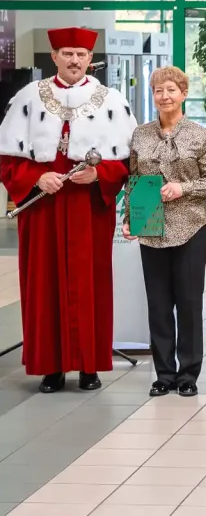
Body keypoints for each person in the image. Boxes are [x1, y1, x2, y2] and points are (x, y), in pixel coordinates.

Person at [0, 27, 136, 392]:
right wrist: (37, 177)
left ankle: (89, 365)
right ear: (54, 57)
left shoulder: (111, 100)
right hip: (42, 208)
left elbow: (128, 163)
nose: (74, 60)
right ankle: (51, 367)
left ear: (91, 58)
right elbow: (6, 160)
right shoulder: (28, 97)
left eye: (81, 54)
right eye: (67, 53)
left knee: (91, 283)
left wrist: (99, 173)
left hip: (88, 207)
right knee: (43, 284)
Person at [123, 66, 206, 397]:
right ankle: (164, 373)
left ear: (183, 93)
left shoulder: (199, 134)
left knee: (190, 302)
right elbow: (133, 178)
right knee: (159, 303)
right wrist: (129, 218)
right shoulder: (140, 134)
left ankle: (188, 374)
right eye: (158, 91)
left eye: (170, 90)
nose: (164, 96)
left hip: (191, 227)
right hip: (152, 228)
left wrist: (184, 187)